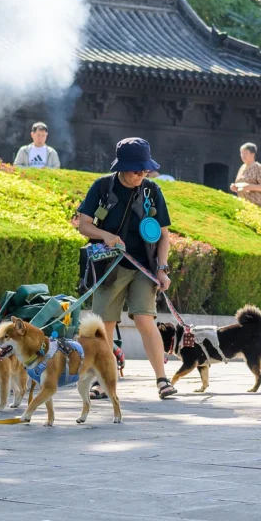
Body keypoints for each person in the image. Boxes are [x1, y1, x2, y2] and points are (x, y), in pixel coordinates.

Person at [71, 137, 177, 399]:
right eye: (136, 170)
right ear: (121, 167)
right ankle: (101, 380)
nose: (141, 174)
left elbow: (164, 234)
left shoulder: (152, 190)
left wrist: (162, 269)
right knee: (104, 324)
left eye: (145, 169)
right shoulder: (102, 187)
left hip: (143, 267)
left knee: (145, 319)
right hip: (108, 266)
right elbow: (84, 224)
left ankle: (162, 380)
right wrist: (104, 235)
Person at [230, 142, 261, 207]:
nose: (242, 155)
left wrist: (249, 186)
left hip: (255, 204)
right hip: (242, 203)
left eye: (245, 153)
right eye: (241, 153)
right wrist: (235, 187)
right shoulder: (242, 167)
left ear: (252, 154)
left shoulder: (258, 167)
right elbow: (240, 185)